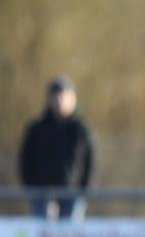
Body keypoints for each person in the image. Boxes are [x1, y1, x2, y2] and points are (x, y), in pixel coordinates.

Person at [19, 75, 94, 221]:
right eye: (56, 97)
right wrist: (32, 188)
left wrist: (84, 190)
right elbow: (25, 160)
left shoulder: (80, 129)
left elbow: (90, 161)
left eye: (63, 96)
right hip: (42, 194)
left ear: (73, 98)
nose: (59, 101)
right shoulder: (37, 129)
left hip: (72, 194)